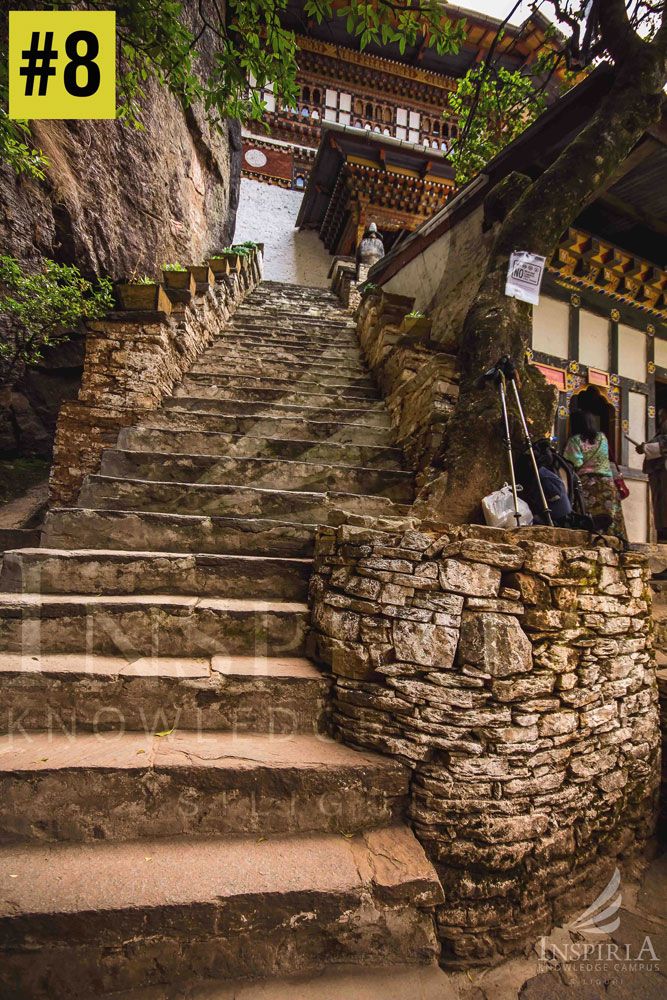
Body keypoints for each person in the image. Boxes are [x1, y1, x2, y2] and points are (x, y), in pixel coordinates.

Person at [563, 410, 627, 543]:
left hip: (588, 484)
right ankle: (618, 543)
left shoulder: (575, 440)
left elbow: (575, 462)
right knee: (611, 516)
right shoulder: (602, 437)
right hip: (607, 483)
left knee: (591, 516)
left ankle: (595, 543)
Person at [635, 406, 667, 546]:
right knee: (661, 510)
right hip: (659, 475)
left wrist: (646, 448)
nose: (661, 420)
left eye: (663, 417)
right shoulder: (660, 434)